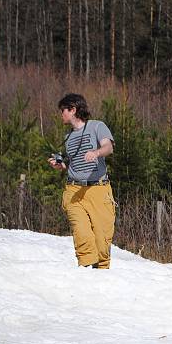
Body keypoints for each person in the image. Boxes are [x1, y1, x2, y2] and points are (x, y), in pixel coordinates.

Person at [48, 93, 116, 269]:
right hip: (74, 191)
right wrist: (60, 165)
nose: (61, 114)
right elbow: (72, 163)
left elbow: (108, 146)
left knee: (102, 242)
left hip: (98, 190)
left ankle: (101, 276)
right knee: (82, 234)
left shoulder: (97, 126)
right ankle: (85, 271)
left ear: (73, 110)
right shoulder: (68, 137)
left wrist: (96, 153)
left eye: (63, 110)